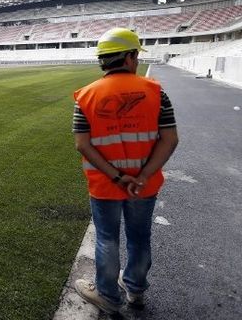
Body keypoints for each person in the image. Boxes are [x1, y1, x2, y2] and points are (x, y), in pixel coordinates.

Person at [72, 28, 179, 314]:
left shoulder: (85, 96)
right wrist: (142, 176)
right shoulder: (156, 92)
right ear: (130, 57)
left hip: (106, 185)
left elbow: (82, 144)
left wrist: (118, 177)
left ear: (103, 61)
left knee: (107, 239)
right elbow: (170, 139)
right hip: (144, 185)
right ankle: (135, 290)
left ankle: (108, 296)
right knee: (140, 237)